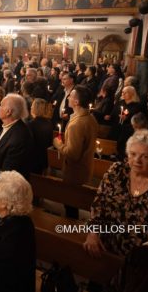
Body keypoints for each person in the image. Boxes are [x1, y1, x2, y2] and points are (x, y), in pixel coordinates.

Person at [84, 130, 148, 257]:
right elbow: (99, 204)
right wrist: (93, 233)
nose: (137, 160)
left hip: (143, 257)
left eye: (145, 157)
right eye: (133, 154)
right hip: (104, 247)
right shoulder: (116, 171)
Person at [0, 93, 35, 211]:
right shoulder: (8, 126)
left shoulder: (20, 136)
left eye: (1, 106)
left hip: (5, 196)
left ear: (9, 112)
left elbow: (7, 170)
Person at [53, 85, 98, 218]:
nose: (68, 98)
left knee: (70, 205)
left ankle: (70, 228)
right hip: (85, 167)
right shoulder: (90, 118)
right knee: (73, 202)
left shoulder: (77, 124)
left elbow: (73, 154)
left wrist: (58, 144)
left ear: (76, 102)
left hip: (74, 171)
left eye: (71, 96)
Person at [27, 98, 54, 174]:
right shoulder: (49, 123)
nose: (31, 107)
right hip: (44, 159)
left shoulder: (30, 124)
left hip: (32, 160)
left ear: (36, 108)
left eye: (32, 106)